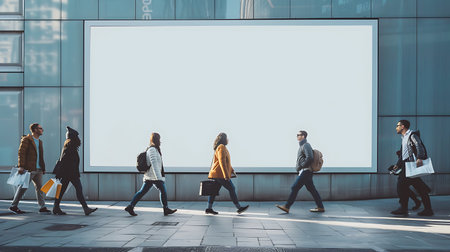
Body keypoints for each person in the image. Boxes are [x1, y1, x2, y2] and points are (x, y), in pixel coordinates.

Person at [125, 133, 177, 216]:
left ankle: (130, 206)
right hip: (154, 176)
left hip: (150, 176)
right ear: (156, 140)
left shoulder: (155, 149)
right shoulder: (152, 150)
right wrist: (159, 177)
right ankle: (165, 208)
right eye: (159, 139)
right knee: (163, 191)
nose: (160, 141)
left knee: (142, 192)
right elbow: (154, 164)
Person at [391, 120, 433, 216]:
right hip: (407, 164)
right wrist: (398, 164)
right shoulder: (404, 138)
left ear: (403, 126)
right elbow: (403, 154)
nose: (396, 127)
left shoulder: (412, 135)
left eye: (397, 125)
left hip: (411, 165)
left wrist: (419, 158)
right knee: (419, 188)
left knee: (401, 186)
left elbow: (419, 145)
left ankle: (403, 208)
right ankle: (427, 209)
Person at [276, 130, 324, 213]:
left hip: (306, 171)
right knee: (312, 189)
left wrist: (302, 165)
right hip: (305, 171)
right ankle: (320, 207)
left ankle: (287, 207)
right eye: (297, 135)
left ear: (303, 136)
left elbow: (310, 157)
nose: (297, 136)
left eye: (299, 135)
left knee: (295, 187)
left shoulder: (306, 145)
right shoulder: (302, 146)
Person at [52, 127, 97, 215]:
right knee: (78, 189)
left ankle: (56, 207)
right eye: (77, 137)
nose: (79, 139)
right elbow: (65, 160)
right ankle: (85, 208)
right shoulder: (70, 145)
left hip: (69, 173)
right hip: (70, 173)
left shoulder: (69, 145)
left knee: (62, 191)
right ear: (73, 137)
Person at [9, 123, 51, 214]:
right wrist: (21, 166)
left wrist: (43, 168)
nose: (42, 130)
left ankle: (42, 207)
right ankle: (13, 205)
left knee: (40, 188)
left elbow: (41, 156)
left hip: (38, 169)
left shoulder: (40, 141)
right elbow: (21, 153)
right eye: (40, 128)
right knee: (23, 187)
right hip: (29, 169)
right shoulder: (26, 139)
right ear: (35, 130)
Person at [206, 133, 249, 215]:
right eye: (227, 138)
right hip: (220, 174)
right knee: (232, 188)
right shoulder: (221, 147)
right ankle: (239, 208)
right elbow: (222, 162)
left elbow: (226, 162)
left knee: (213, 192)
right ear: (224, 139)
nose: (228, 140)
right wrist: (226, 175)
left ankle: (209, 208)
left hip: (217, 173)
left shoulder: (221, 147)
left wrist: (232, 170)